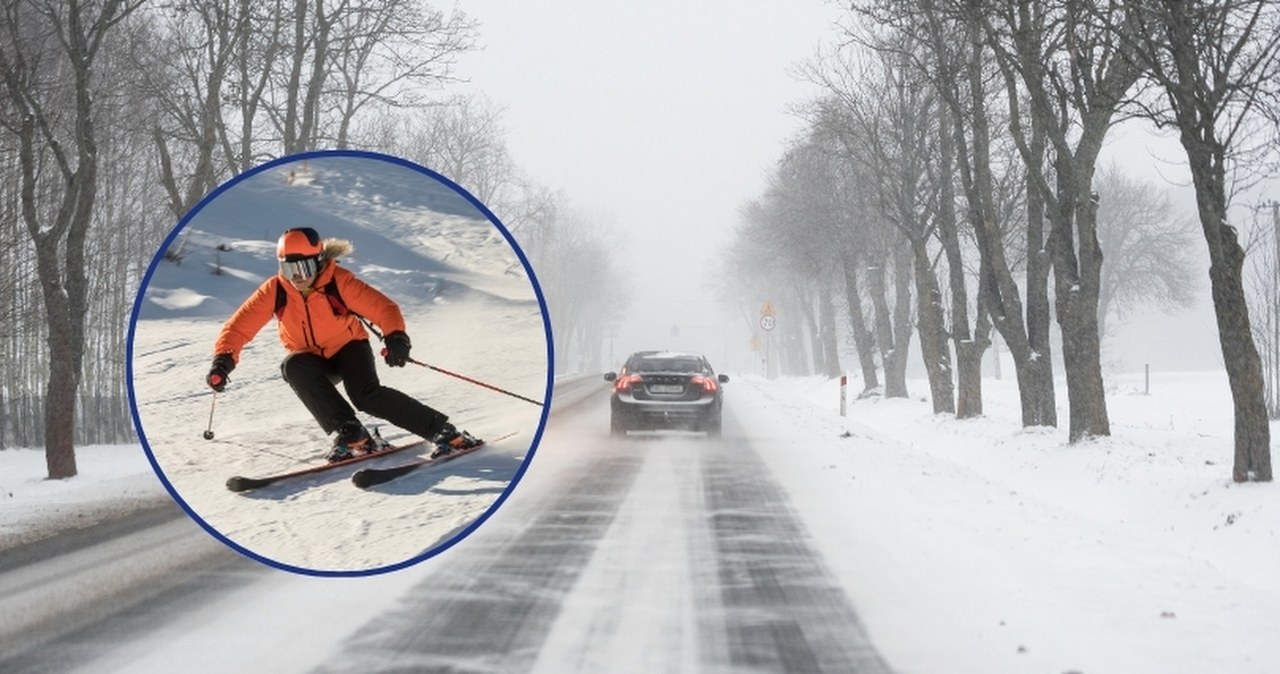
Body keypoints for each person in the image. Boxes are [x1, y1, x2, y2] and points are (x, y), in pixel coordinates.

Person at [205, 226, 481, 462]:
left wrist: (396, 337)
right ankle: (351, 432)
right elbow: (240, 326)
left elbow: (384, 308)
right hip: (312, 359)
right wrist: (223, 361)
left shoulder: (339, 282)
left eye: (302, 267)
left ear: (317, 262)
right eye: (288, 269)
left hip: (349, 348)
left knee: (365, 394)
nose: (297, 276)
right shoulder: (276, 290)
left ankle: (442, 430)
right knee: (293, 366)